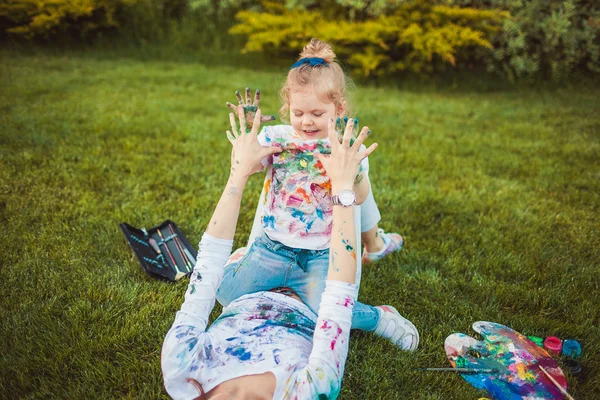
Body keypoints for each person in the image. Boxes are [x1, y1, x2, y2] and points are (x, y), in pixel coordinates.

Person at [161, 107, 413, 399]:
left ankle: (374, 240)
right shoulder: (309, 391)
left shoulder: (181, 368)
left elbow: (208, 260)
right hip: (310, 303)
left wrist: (238, 173)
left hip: (250, 290)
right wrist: (344, 186)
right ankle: (378, 316)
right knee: (348, 170)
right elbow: (338, 297)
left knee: (221, 287)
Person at [217, 38, 415, 348]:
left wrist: (355, 170)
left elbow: (359, 197)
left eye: (317, 113)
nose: (306, 121)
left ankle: (380, 317)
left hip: (321, 254)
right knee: (224, 292)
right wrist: (250, 133)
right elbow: (251, 167)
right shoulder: (277, 138)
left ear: (339, 109)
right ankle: (247, 263)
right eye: (298, 112)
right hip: (272, 248)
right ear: (287, 107)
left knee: (329, 312)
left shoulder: (346, 147)